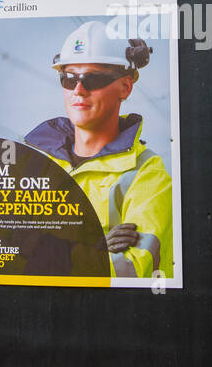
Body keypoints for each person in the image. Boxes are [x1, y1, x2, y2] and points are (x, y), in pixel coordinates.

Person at [23, 20, 173, 279]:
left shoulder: (147, 175)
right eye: (69, 79)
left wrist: (46, 248)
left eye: (92, 79)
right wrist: (95, 246)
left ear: (125, 87)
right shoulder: (36, 163)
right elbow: (1, 249)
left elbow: (130, 271)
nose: (78, 90)